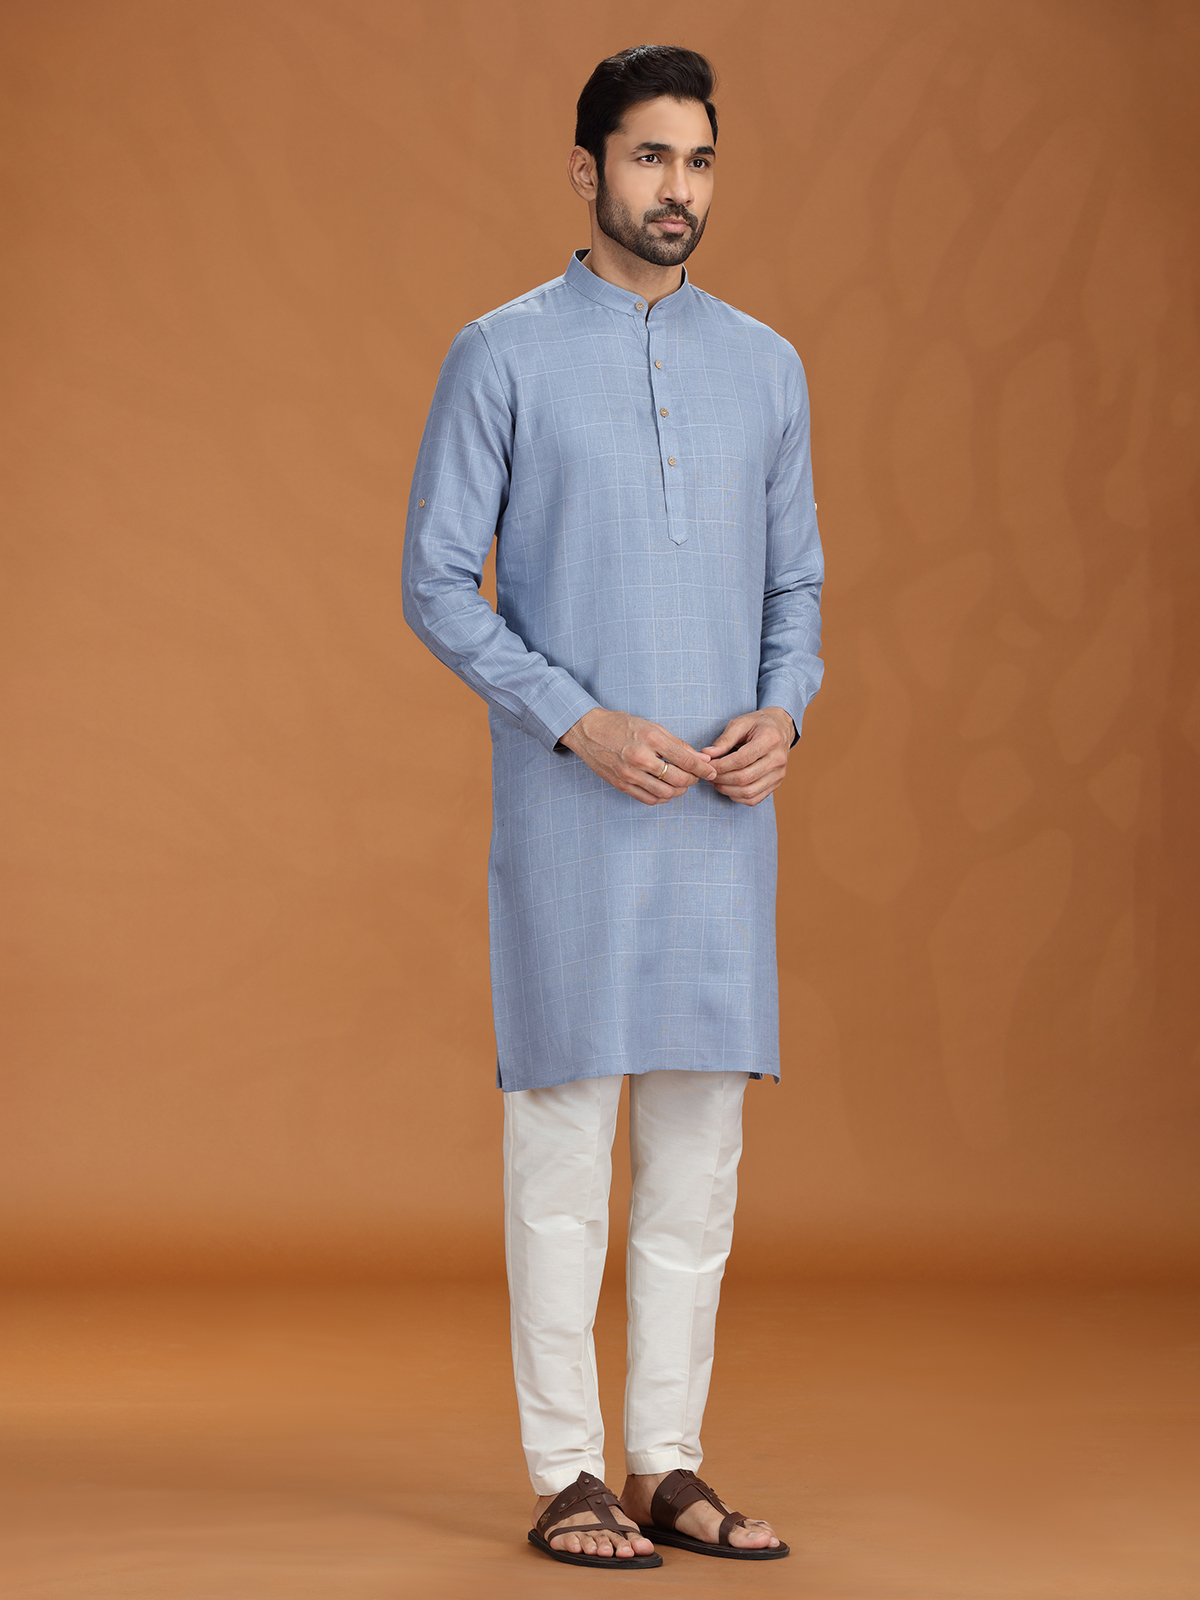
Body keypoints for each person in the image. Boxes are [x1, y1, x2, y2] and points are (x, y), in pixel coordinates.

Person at [402, 44, 823, 1569]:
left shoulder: (766, 366)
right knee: (566, 1153)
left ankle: (667, 1463)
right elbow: (437, 582)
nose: (677, 189)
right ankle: (567, 1470)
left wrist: (784, 708)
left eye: (698, 161)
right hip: (576, 814)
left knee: (698, 1159)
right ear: (586, 170)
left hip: (718, 817)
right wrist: (576, 721)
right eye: (649, 157)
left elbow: (797, 587)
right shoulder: (502, 355)